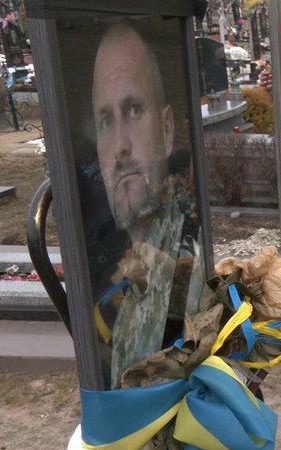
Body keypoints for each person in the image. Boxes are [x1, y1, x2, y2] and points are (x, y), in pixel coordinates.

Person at [91, 21, 201, 388]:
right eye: (106, 121)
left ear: (167, 129)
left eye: (134, 111)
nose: (120, 145)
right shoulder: (107, 251)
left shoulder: (191, 245)